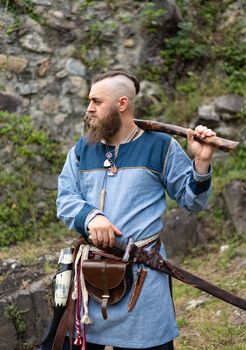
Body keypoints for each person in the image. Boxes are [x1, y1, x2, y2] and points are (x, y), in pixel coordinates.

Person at [55, 70, 215, 350]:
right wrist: (92, 217)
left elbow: (194, 201)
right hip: (89, 279)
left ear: (122, 104)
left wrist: (201, 164)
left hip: (143, 277)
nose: (88, 108)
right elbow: (65, 199)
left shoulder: (161, 146)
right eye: (89, 101)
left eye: (96, 101)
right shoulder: (83, 149)